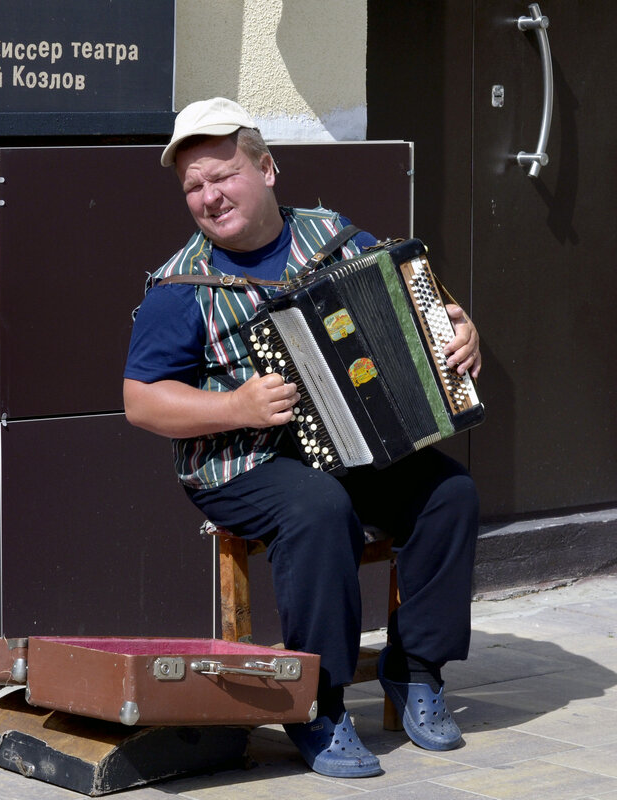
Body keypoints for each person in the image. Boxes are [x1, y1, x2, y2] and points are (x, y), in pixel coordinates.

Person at [123, 97, 481, 779]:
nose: (208, 195)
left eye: (222, 175)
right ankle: (316, 705)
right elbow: (140, 402)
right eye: (193, 186)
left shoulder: (334, 235)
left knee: (449, 493)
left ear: (266, 167)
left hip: (353, 443)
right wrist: (237, 406)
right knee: (319, 508)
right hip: (241, 463)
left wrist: (460, 338)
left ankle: (417, 672)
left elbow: (415, 307)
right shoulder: (181, 286)